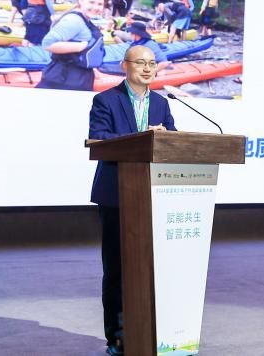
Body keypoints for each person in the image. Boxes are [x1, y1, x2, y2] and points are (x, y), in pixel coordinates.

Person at [89, 44, 177, 355]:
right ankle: (117, 338)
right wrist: (143, 139)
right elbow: (99, 139)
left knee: (152, 270)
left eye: (152, 63)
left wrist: (165, 136)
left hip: (155, 194)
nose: (148, 68)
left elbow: (174, 141)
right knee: (117, 270)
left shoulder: (162, 103)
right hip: (116, 194)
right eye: (140, 62)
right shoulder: (106, 100)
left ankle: (148, 333)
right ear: (125, 65)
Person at [37, 0, 108, 91]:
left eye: (100, 4)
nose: (96, 7)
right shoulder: (74, 20)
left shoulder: (85, 19)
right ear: (80, 0)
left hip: (78, 76)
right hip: (64, 79)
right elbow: (48, 44)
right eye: (91, 2)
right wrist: (80, 46)